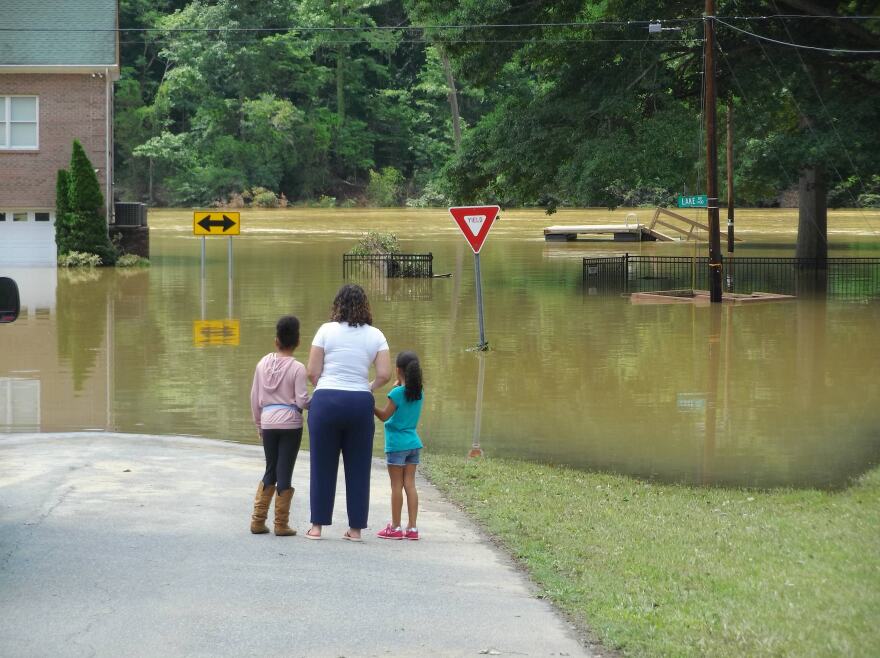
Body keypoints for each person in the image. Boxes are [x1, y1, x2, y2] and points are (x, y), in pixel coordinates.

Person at [306, 284, 391, 541]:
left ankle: (317, 527)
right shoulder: (376, 335)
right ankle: (355, 530)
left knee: (322, 465)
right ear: (365, 306)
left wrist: (323, 387)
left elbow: (311, 370)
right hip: (359, 404)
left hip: (327, 400)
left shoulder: (325, 330)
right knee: (358, 466)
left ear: (337, 305)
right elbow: (385, 373)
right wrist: (369, 387)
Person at [249, 315, 310, 536]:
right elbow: (302, 401)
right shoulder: (298, 368)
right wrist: (318, 403)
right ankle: (281, 524)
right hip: (290, 425)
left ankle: (257, 521)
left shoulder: (261, 364)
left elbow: (254, 397)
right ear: (298, 342)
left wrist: (259, 424)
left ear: (276, 341)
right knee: (285, 472)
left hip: (267, 422)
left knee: (270, 469)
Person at [374, 351, 424, 540]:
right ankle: (412, 528)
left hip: (397, 445)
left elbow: (385, 416)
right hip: (413, 443)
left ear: (398, 370)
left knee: (396, 486)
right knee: (410, 485)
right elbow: (406, 400)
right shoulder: (419, 393)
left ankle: (395, 527)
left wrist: (370, 404)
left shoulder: (396, 393)